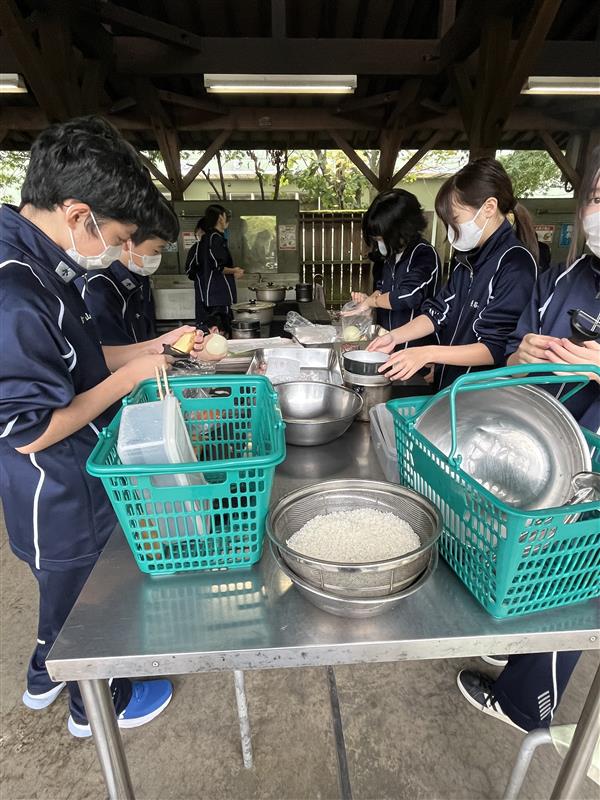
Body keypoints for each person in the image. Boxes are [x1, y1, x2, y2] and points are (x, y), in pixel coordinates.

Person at [0, 116, 221, 739]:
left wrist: (158, 348)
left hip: (70, 479)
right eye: (118, 235)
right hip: (56, 491)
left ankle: (43, 678)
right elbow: (28, 431)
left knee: (61, 594)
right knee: (85, 603)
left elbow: (84, 359)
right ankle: (95, 708)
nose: (118, 249)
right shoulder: (16, 291)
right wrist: (131, 380)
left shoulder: (40, 262)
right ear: (78, 215)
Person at [456, 149, 600, 734]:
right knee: (538, 558)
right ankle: (520, 642)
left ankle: (523, 703)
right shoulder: (570, 278)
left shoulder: (512, 261)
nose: (598, 212)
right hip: (552, 450)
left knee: (571, 581)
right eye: (596, 197)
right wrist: (522, 355)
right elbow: (513, 355)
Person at [368, 158, 539, 390]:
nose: (450, 233)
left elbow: (495, 347)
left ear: (488, 208)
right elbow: (437, 313)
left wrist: (427, 353)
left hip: (481, 392)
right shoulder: (466, 260)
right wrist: (394, 337)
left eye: (455, 220)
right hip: (451, 387)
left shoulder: (515, 263)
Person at [77, 195, 179, 344]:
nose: (158, 258)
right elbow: (108, 356)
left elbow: (142, 340)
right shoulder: (98, 287)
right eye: (156, 251)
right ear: (128, 239)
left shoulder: (130, 282)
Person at [347, 189, 439, 337]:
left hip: (413, 348)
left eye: (381, 239)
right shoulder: (391, 255)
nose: (378, 244)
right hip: (387, 341)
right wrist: (368, 301)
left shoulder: (423, 254)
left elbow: (408, 296)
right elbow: (382, 289)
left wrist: (372, 302)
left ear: (401, 230)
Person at [186, 205, 244, 332]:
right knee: (220, 329)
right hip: (217, 295)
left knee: (213, 330)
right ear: (220, 218)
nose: (226, 219)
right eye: (225, 216)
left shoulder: (210, 239)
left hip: (212, 295)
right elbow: (218, 266)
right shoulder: (214, 238)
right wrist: (235, 271)